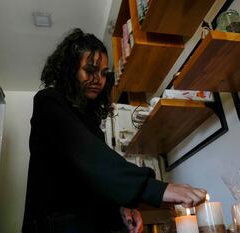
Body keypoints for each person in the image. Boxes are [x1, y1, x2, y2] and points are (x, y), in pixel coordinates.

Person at [22, 28, 207, 233]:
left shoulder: (90, 123)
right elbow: (89, 158)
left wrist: (121, 209)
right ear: (70, 69)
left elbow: (93, 182)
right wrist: (157, 188)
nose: (98, 79)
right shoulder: (48, 101)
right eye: (90, 70)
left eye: (103, 73)